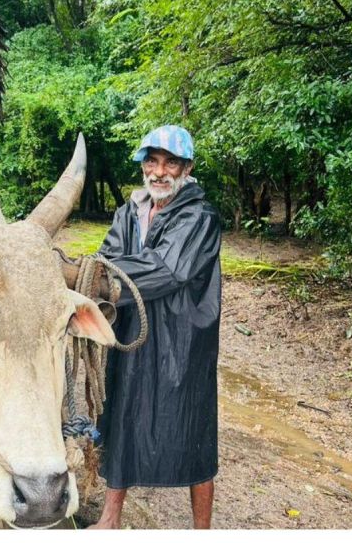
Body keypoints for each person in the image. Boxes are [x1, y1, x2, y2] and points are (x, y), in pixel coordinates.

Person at [90, 125, 221, 529]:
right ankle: (109, 520)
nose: (159, 171)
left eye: (170, 162)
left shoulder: (199, 216)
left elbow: (166, 270)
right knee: (124, 416)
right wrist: (84, 275)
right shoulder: (129, 211)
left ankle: (203, 531)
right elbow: (107, 256)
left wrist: (102, 279)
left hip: (182, 339)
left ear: (187, 168)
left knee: (192, 428)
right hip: (133, 332)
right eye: (152, 161)